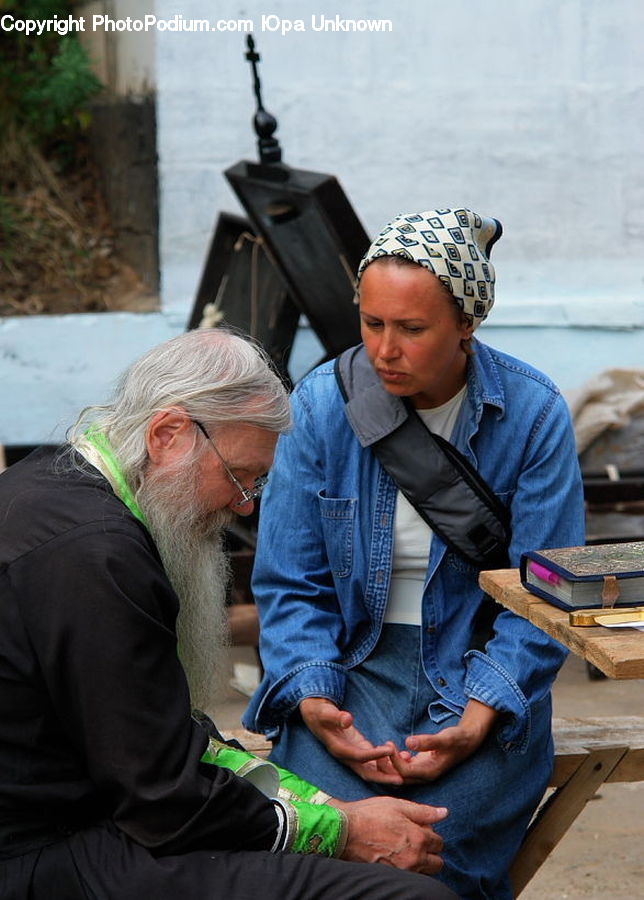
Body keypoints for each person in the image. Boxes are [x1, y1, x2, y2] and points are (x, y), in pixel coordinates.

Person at [0, 329, 459, 900]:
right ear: (168, 434)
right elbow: (163, 799)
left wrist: (324, 806)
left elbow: (158, 741)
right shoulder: (96, 556)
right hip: (37, 853)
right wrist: (343, 831)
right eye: (241, 476)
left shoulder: (59, 480)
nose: (244, 505)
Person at [244, 208, 586, 900]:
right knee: (317, 852)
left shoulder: (533, 415)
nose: (384, 351)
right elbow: (289, 584)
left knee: (431, 858)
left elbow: (545, 596)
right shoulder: (319, 408)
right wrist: (314, 699)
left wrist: (479, 715)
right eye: (372, 324)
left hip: (478, 684)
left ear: (466, 324)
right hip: (351, 677)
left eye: (411, 329)